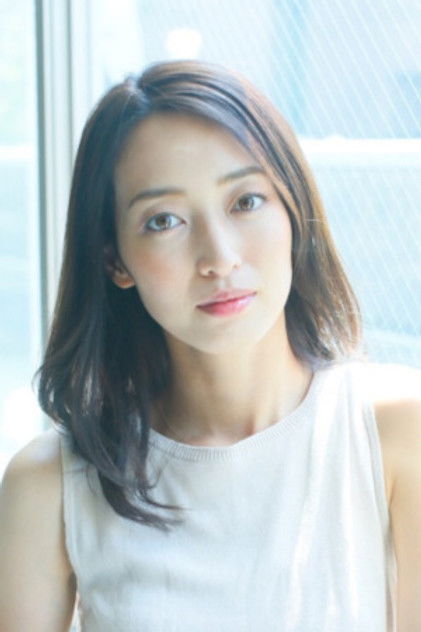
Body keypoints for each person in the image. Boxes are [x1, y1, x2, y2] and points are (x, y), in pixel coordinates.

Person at [0, 59, 419, 632]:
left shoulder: (397, 433)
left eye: (246, 202)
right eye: (164, 221)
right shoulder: (51, 485)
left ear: (294, 209)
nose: (219, 258)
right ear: (115, 261)